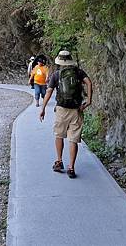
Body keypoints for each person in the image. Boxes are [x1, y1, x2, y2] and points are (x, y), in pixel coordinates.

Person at [39, 50, 92, 179]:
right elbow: (89, 82)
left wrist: (43, 108)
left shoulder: (56, 75)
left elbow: (49, 92)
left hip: (61, 109)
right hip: (76, 109)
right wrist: (89, 100)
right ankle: (71, 167)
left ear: (59, 61)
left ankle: (59, 161)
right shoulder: (79, 72)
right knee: (73, 139)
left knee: (59, 135)